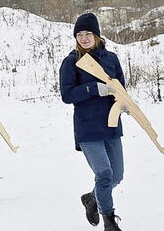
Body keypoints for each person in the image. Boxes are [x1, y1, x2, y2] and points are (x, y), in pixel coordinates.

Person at [59, 13, 124, 231]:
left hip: (112, 125)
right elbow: (67, 95)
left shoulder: (111, 59)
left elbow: (121, 87)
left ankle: (91, 198)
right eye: (79, 34)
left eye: (88, 33)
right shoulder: (71, 62)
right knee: (104, 173)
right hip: (87, 127)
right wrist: (92, 88)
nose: (84, 38)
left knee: (117, 176)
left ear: (96, 35)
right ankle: (109, 220)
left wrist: (124, 103)